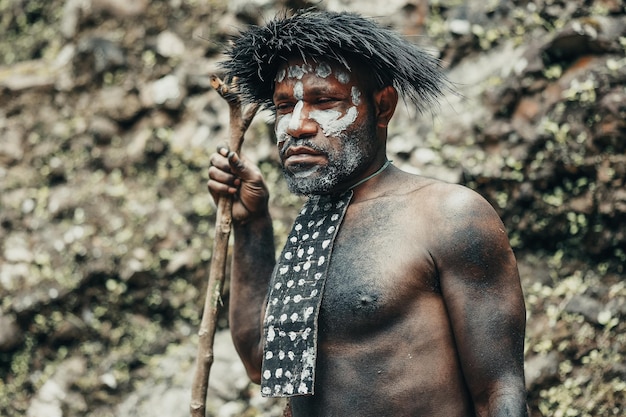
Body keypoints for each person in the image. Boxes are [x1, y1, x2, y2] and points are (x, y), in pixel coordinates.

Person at [207, 9, 528, 417]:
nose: (297, 126)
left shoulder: (448, 215)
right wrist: (252, 223)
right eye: (284, 106)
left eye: (323, 101)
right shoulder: (311, 233)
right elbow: (259, 362)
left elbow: (498, 392)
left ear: (382, 106)